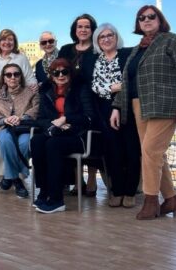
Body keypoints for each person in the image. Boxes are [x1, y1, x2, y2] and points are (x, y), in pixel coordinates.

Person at [111, 5, 176, 220]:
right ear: (138, 23)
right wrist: (117, 106)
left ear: (160, 19)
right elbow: (126, 81)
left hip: (164, 105)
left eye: (151, 16)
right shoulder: (137, 49)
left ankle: (151, 201)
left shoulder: (173, 41)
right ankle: (172, 199)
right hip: (139, 106)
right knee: (154, 154)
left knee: (149, 151)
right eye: (141, 18)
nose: (146, 20)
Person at [31, 58, 95, 214]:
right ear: (51, 75)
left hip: (78, 135)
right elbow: (40, 119)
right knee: (36, 141)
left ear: (70, 73)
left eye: (64, 71)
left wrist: (66, 119)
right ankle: (44, 191)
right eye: (56, 72)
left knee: (53, 145)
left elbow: (89, 117)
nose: (61, 75)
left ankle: (56, 199)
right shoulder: (46, 90)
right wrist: (54, 124)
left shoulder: (81, 89)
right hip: (55, 131)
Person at [84, 23, 137, 208]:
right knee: (111, 152)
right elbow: (89, 86)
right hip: (102, 111)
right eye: (101, 37)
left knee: (131, 150)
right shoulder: (93, 60)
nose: (106, 39)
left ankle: (130, 192)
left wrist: (118, 89)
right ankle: (117, 190)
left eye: (110, 35)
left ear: (116, 37)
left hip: (126, 108)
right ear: (97, 40)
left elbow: (131, 81)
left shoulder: (126, 55)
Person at [58, 13, 99, 194]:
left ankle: (92, 179)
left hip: (94, 101)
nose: (83, 30)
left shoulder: (97, 50)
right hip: (71, 101)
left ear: (92, 30)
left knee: (92, 139)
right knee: (70, 135)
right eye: (80, 27)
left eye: (87, 27)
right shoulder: (66, 49)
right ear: (75, 30)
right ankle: (77, 180)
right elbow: (58, 70)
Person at [0, 63, 39, 198]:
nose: (12, 77)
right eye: (8, 74)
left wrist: (21, 118)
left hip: (25, 128)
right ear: (3, 78)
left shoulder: (31, 92)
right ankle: (17, 180)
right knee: (5, 140)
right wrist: (5, 120)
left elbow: (36, 108)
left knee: (25, 143)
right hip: (4, 128)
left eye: (16, 74)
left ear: (21, 76)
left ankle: (8, 177)